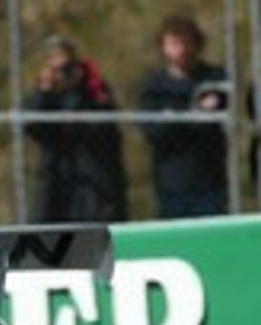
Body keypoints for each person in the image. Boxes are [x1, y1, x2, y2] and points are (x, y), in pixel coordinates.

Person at [25, 36, 128, 222]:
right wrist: (45, 92)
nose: (61, 74)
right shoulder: (46, 93)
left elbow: (102, 127)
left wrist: (76, 90)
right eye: (55, 68)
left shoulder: (94, 89)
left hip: (93, 183)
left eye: (66, 67)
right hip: (56, 180)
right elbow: (33, 127)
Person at [137, 15, 228, 218]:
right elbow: (153, 130)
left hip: (209, 179)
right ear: (163, 47)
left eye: (186, 43)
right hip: (171, 183)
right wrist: (192, 111)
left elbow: (217, 113)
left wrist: (176, 116)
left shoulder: (214, 77)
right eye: (174, 44)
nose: (181, 50)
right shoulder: (154, 86)